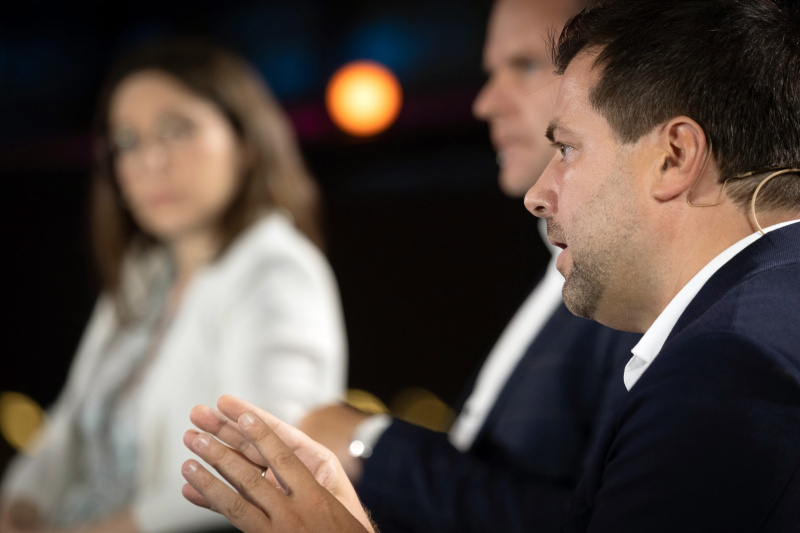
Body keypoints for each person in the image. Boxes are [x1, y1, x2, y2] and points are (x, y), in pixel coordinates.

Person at [178, 0, 800, 531]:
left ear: (675, 155)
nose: (539, 193)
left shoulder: (727, 365)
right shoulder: (749, 329)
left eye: (567, 148)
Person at [297, 1, 639, 530]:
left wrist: (369, 444)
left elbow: (595, 521)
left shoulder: (637, 293)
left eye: (524, 65)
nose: (484, 103)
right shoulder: (560, 277)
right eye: (489, 71)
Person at [0, 39, 347, 533]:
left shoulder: (274, 269)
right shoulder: (146, 272)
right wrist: (18, 505)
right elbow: (67, 426)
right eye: (127, 141)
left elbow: (262, 468)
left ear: (245, 143)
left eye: (175, 130)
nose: (150, 161)